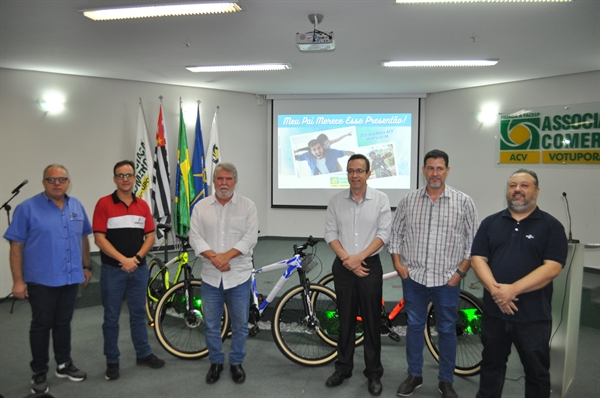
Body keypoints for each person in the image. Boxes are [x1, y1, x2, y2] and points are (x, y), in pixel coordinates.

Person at [388, 149, 478, 398]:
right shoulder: (409, 201)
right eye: (430, 168)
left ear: (447, 170)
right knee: (415, 326)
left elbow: (474, 242)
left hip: (447, 279)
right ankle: (414, 375)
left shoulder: (463, 202)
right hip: (414, 277)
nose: (434, 173)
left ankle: (446, 381)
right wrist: (398, 264)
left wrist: (460, 272)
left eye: (440, 168)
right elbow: (395, 233)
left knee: (447, 329)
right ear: (423, 170)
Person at [470, 169, 568, 398]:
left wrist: (512, 290)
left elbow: (552, 267)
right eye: (513, 185)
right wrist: (497, 292)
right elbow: (477, 259)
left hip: (533, 316)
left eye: (524, 185)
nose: (517, 190)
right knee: (491, 367)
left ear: (536, 191)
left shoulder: (552, 226)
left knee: (537, 373)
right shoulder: (490, 222)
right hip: (495, 313)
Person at [3, 164, 92, 394]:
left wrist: (86, 265)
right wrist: (18, 281)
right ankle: (39, 370)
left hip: (71, 277)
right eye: (51, 179)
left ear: (68, 182)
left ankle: (63, 364)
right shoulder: (27, 208)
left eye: (62, 179)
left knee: (64, 323)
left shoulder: (76, 206)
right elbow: (16, 247)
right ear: (43, 182)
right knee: (41, 326)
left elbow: (83, 238)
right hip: (41, 280)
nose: (57, 183)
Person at [324, 154, 391, 396]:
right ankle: (343, 368)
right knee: (345, 320)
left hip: (369, 266)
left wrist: (358, 258)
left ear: (368, 173)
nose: (355, 175)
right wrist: (348, 260)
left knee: (372, 321)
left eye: (360, 171)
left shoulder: (381, 200)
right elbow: (330, 233)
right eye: (351, 171)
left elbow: (384, 234)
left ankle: (373, 373)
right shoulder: (335, 200)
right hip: (343, 267)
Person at [92, 160, 165, 381]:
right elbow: (99, 238)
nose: (125, 179)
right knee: (111, 317)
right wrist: (123, 260)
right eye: (121, 175)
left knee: (138, 314)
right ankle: (112, 360)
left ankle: (143, 354)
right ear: (114, 178)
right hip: (113, 270)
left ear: (135, 178)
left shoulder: (142, 205)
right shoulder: (104, 204)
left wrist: (136, 259)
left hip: (139, 270)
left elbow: (150, 236)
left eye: (129, 175)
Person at [189, 162, 258, 385]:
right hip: (210, 276)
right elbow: (195, 237)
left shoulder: (248, 206)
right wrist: (215, 258)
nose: (224, 183)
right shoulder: (201, 207)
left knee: (239, 325)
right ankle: (216, 362)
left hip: (238, 275)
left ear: (235, 182)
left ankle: (236, 362)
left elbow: (250, 238)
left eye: (228, 179)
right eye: (220, 179)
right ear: (214, 181)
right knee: (210, 324)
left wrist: (225, 257)